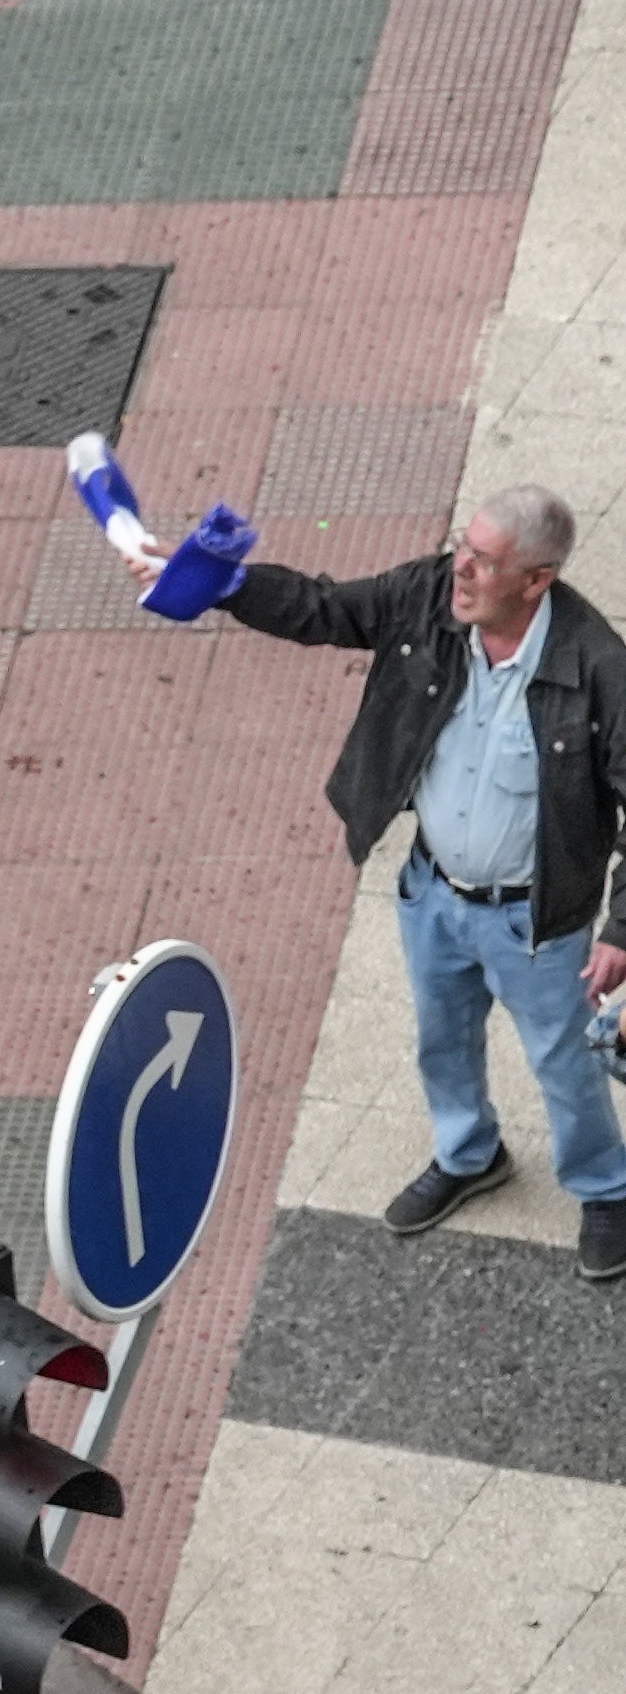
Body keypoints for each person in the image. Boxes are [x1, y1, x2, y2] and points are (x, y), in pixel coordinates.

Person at [217, 487, 626, 1276]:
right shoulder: (427, 600)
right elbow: (323, 609)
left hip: (535, 921)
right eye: (462, 546)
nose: (460, 569)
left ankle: (606, 1190)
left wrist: (619, 931)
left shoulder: (601, 670)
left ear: (536, 581)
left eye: (482, 560)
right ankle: (470, 1154)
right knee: (441, 1039)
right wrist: (223, 582)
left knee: (564, 1066)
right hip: (432, 894)